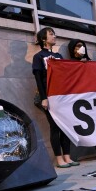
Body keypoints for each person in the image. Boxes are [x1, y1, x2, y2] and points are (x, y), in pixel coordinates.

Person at [32, 27, 77, 168]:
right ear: (43, 39)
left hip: (61, 96)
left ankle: (67, 157)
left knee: (65, 126)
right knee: (55, 126)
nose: (54, 36)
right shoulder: (38, 57)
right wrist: (44, 98)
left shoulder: (59, 56)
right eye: (51, 34)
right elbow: (38, 79)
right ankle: (59, 159)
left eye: (54, 34)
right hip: (48, 96)